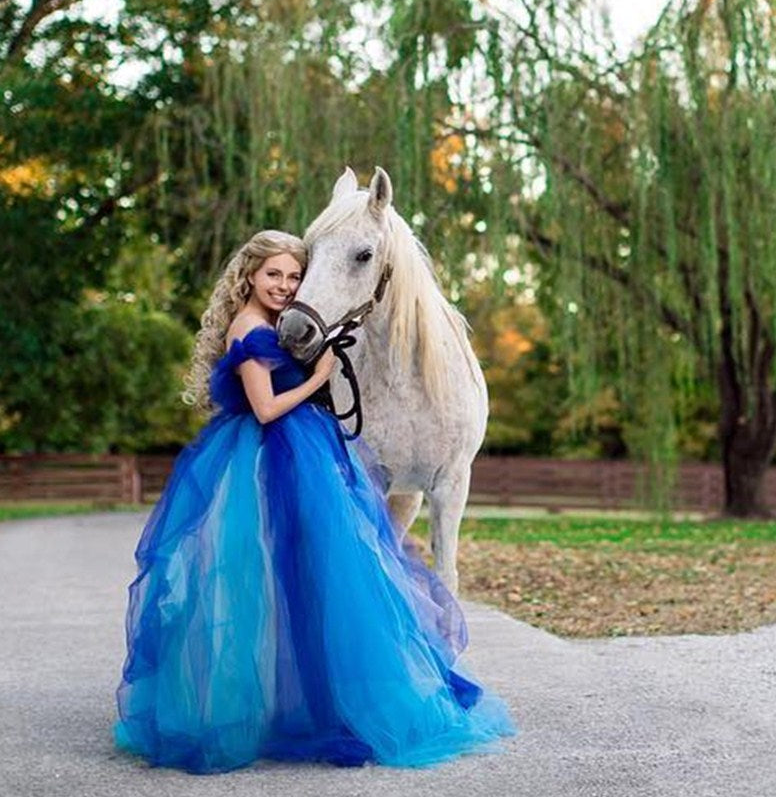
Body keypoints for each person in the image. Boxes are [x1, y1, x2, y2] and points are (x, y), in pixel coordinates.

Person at [112, 229, 515, 774]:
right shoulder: (248, 329)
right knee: (270, 582)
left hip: (301, 452)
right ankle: (280, 704)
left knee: (328, 582)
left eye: (294, 276)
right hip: (267, 455)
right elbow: (265, 409)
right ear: (249, 276)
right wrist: (320, 376)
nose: (284, 285)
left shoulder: (282, 326)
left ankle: (327, 694)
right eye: (273, 274)